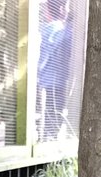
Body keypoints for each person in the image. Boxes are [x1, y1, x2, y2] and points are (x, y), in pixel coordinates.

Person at [38, 0, 72, 140]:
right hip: (57, 83)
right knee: (54, 118)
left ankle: (47, 140)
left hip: (46, 82)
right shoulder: (62, 30)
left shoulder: (49, 30)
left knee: (48, 118)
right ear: (62, 9)